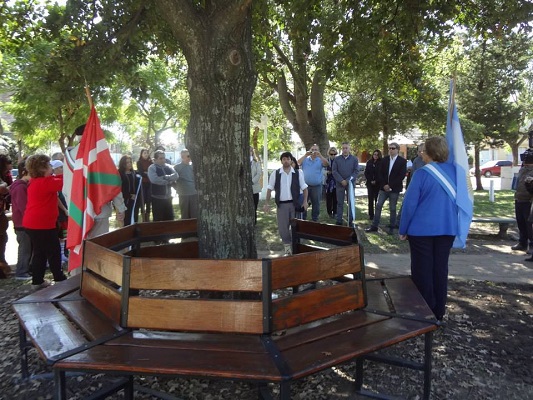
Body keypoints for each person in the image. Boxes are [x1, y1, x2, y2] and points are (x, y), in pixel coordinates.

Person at [399, 136, 458, 321]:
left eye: (424, 150)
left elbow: (409, 205)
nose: (421, 153)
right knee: (440, 270)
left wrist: (403, 229)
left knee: (422, 271)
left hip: (421, 231)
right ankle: (438, 312)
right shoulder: (456, 172)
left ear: (430, 153)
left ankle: (423, 312)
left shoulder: (422, 174)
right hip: (447, 228)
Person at [63, 124, 126, 274]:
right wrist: (121, 207)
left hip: (77, 210)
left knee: (80, 245)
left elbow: (65, 187)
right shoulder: (99, 154)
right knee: (97, 247)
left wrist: (71, 208)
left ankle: (77, 280)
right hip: (98, 209)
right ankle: (96, 279)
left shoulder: (68, 155)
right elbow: (112, 183)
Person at [23, 155, 67, 289]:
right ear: (41, 168)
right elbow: (66, 181)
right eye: (49, 166)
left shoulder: (37, 181)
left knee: (40, 252)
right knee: (53, 251)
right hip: (41, 225)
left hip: (32, 224)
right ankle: (59, 278)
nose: (52, 168)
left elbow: (58, 179)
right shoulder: (45, 183)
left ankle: (37, 281)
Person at [263, 151, 308, 255]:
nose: (286, 161)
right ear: (281, 161)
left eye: (288, 159)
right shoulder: (276, 173)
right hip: (282, 205)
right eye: (284, 159)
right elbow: (269, 189)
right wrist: (266, 203)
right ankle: (287, 248)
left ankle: (296, 248)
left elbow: (305, 188)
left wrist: (305, 201)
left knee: (295, 227)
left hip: (294, 204)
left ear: (291, 160)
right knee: (283, 228)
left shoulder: (298, 173)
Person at [365, 142, 407, 235]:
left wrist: (390, 185)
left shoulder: (402, 161)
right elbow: (380, 173)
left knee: (392, 208)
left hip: (394, 189)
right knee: (378, 205)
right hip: (383, 188)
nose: (391, 150)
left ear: (397, 150)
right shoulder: (384, 160)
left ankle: (392, 226)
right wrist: (384, 185)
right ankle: (374, 225)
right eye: (390, 148)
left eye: (393, 148)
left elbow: (401, 176)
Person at [10, 159, 32, 279]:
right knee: (25, 249)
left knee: (27, 248)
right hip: (22, 224)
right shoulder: (20, 187)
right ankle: (21, 272)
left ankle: (26, 269)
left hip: (24, 223)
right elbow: (23, 207)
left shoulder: (23, 185)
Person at [298, 144, 328, 222]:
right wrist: (305, 155)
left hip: (317, 186)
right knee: (303, 202)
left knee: (316, 203)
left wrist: (320, 156)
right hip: (305, 186)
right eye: (312, 149)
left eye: (316, 150)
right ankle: (303, 218)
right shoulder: (305, 159)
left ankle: (315, 219)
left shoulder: (320, 160)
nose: (314, 151)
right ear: (309, 150)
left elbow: (327, 164)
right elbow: (297, 163)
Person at [332, 142, 359, 227]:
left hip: (350, 184)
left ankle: (350, 220)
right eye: (343, 148)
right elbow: (334, 171)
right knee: (340, 202)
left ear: (349, 149)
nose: (345, 150)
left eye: (346, 148)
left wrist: (347, 180)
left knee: (350, 202)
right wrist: (341, 180)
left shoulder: (354, 159)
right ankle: (339, 220)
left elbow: (356, 171)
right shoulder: (337, 159)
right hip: (340, 184)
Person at [511, 150, 533, 253]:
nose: (524, 159)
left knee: (529, 224)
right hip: (519, 198)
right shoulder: (522, 169)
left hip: (528, 200)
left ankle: (531, 245)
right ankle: (522, 242)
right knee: (520, 223)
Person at [148, 149, 178, 222]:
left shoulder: (169, 167)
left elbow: (176, 176)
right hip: (157, 199)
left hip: (168, 198)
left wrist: (165, 177)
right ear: (155, 159)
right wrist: (168, 181)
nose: (163, 160)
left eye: (164, 158)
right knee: (158, 221)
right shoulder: (152, 168)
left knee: (170, 219)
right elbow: (154, 180)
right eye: (160, 158)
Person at [51, 160, 69, 264]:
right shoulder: (54, 180)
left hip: (65, 211)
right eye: (60, 167)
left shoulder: (66, 179)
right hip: (59, 213)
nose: (63, 169)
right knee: (60, 233)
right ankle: (61, 254)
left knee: (65, 233)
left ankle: (63, 253)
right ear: (56, 169)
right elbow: (57, 198)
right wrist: (64, 209)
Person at [173, 149, 198, 220]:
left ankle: (194, 229)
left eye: (190, 156)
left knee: (194, 213)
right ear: (182, 157)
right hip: (183, 193)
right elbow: (172, 180)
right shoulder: (177, 167)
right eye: (188, 156)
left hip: (193, 192)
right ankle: (186, 229)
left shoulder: (193, 166)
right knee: (185, 213)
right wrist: (177, 188)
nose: (189, 157)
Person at [118, 155, 141, 226]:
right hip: (124, 201)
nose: (129, 164)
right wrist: (129, 195)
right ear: (123, 164)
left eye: (130, 162)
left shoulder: (134, 173)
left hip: (134, 200)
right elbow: (119, 188)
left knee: (134, 218)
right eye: (127, 162)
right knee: (126, 220)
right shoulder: (119, 174)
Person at [364, 149, 382, 221]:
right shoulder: (369, 162)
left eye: (377, 155)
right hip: (370, 183)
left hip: (378, 184)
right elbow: (366, 173)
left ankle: (377, 215)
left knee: (377, 200)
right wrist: (370, 180)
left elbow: (381, 173)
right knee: (370, 199)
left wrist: (376, 180)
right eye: (374, 154)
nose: (375, 156)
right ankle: (371, 215)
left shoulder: (381, 163)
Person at [136, 149, 153, 222]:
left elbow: (152, 172)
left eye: (147, 153)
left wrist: (147, 173)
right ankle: (143, 217)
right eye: (144, 153)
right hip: (142, 183)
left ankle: (148, 217)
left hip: (149, 183)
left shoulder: (150, 162)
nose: (146, 154)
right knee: (143, 200)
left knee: (149, 200)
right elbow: (141, 173)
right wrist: (147, 173)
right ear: (141, 154)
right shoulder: (139, 162)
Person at [250, 147, 262, 224]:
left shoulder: (256, 163)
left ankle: (254, 222)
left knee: (254, 206)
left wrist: (251, 181)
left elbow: (259, 173)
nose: (249, 152)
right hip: (244, 189)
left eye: (250, 151)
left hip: (254, 188)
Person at [325, 147, 338, 218]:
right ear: (329, 153)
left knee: (335, 198)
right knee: (329, 199)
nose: (333, 155)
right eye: (331, 154)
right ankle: (329, 212)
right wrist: (327, 172)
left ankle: (335, 212)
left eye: (334, 154)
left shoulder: (338, 161)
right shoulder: (326, 160)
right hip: (328, 183)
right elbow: (322, 170)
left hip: (336, 182)